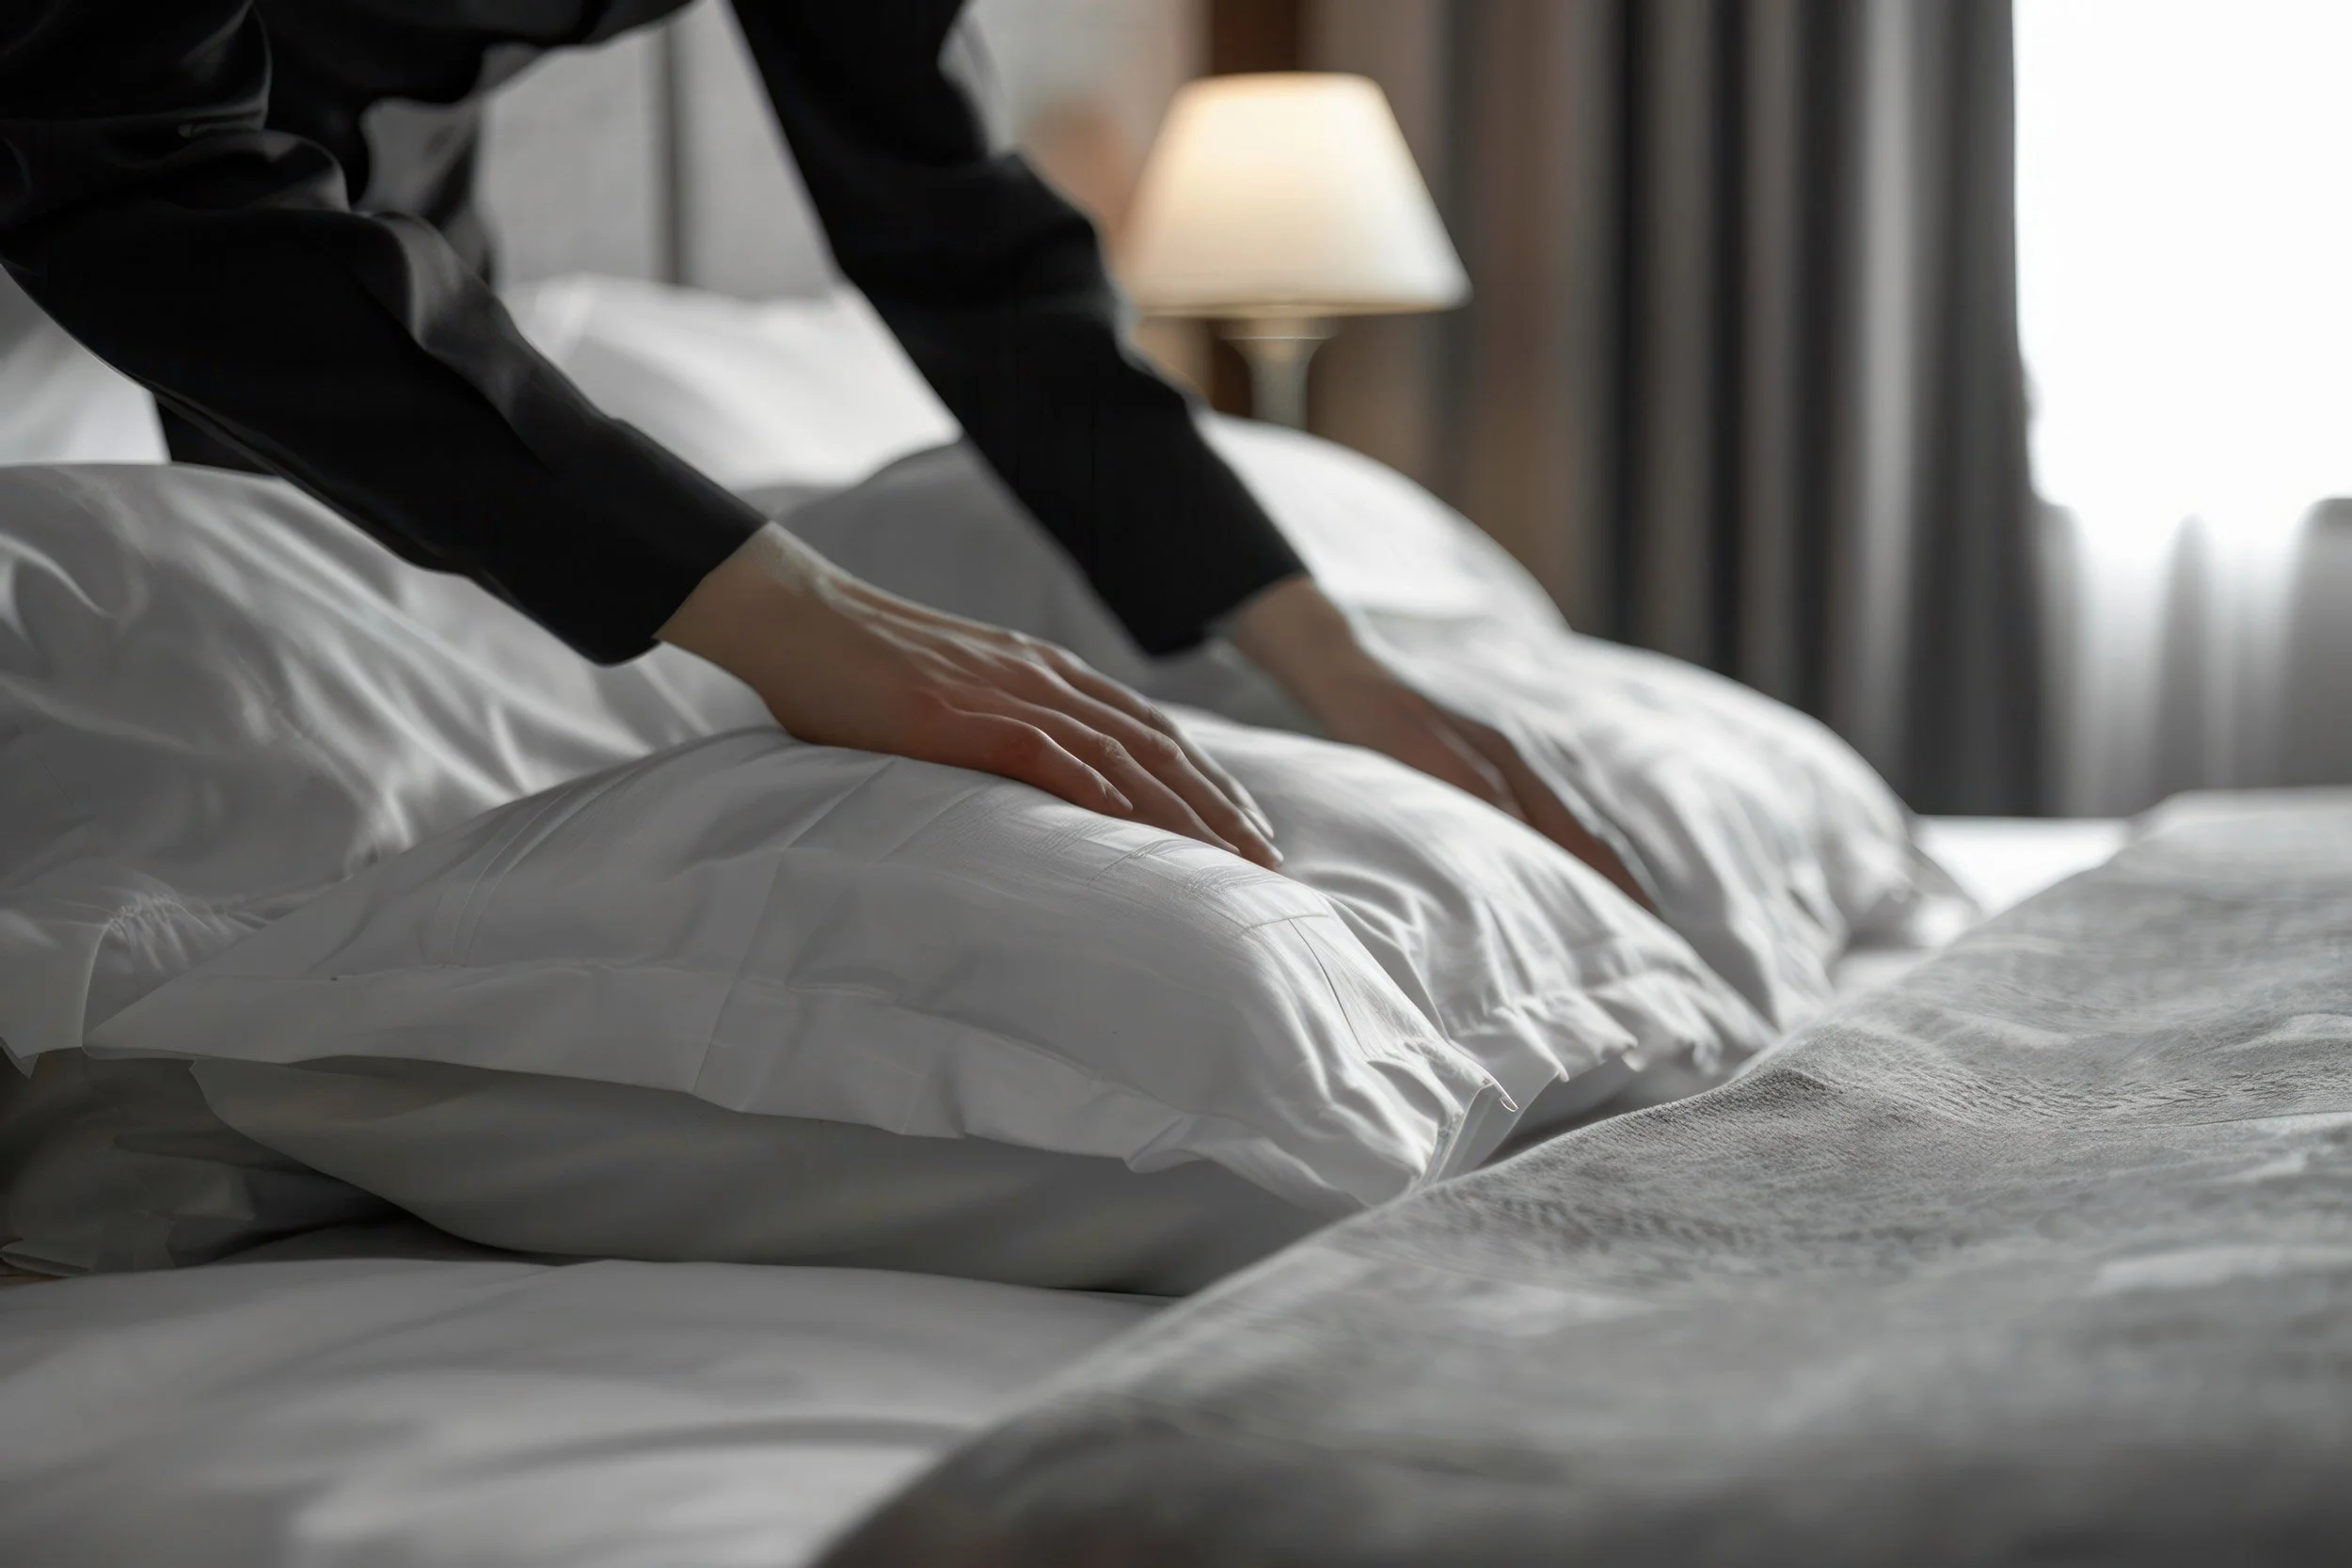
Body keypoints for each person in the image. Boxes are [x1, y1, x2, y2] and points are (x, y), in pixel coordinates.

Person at [0, 0, 1645, 900]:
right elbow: (144, 177)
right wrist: (790, 612)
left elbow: (967, 248)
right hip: (176, 174)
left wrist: (1327, 658)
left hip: (349, 181)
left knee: (401, 686)